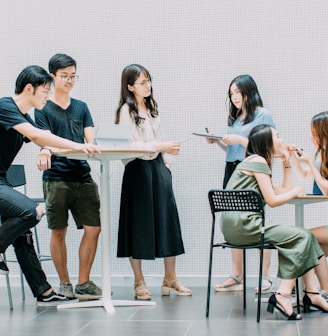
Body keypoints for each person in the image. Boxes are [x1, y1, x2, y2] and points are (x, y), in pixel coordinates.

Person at [0, 65, 99, 306]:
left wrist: (55, 148)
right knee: (31, 212)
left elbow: (45, 140)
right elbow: (37, 136)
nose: (47, 96)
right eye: (45, 91)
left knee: (22, 233)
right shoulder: (5, 107)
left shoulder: (23, 117)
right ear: (29, 89)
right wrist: (77, 146)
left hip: (1, 180)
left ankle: (43, 291)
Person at [221, 124, 328, 320]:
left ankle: (312, 294)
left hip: (235, 226)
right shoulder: (258, 160)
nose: (281, 140)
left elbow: (283, 189)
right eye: (277, 136)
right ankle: (283, 294)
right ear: (267, 142)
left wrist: (286, 164)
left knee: (304, 236)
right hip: (246, 226)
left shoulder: (254, 161)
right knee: (303, 235)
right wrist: (296, 192)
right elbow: (272, 200)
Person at [115, 64, 192, 300]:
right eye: (142, 82)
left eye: (149, 80)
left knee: (168, 222)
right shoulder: (126, 111)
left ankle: (170, 278)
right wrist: (160, 148)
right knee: (137, 225)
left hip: (158, 169)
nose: (147, 85)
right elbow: (128, 146)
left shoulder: (151, 108)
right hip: (138, 171)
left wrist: (166, 164)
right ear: (130, 86)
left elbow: (163, 138)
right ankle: (139, 281)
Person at [35, 54, 102, 300]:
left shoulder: (81, 107)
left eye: (73, 76)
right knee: (58, 230)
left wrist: (90, 145)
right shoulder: (42, 108)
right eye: (65, 76)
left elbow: (90, 139)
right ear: (52, 76)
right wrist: (49, 149)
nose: (70, 81)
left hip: (82, 176)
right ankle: (64, 283)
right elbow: (45, 141)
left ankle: (83, 282)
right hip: (56, 178)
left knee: (94, 228)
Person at [207, 75, 275, 293]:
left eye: (238, 91)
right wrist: (218, 141)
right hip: (233, 169)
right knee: (233, 219)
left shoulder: (263, 115)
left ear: (249, 91)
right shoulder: (235, 119)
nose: (234, 97)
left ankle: (264, 277)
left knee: (256, 219)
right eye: (231, 93)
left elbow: (267, 146)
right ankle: (237, 275)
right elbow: (232, 151)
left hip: (254, 169)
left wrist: (239, 140)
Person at [290, 111, 328, 299]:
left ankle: (318, 290)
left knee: (308, 237)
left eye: (313, 132)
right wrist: (296, 159)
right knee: (314, 246)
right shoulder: (322, 155)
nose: (311, 137)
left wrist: (310, 164)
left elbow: (326, 189)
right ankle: (321, 291)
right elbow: (306, 176)